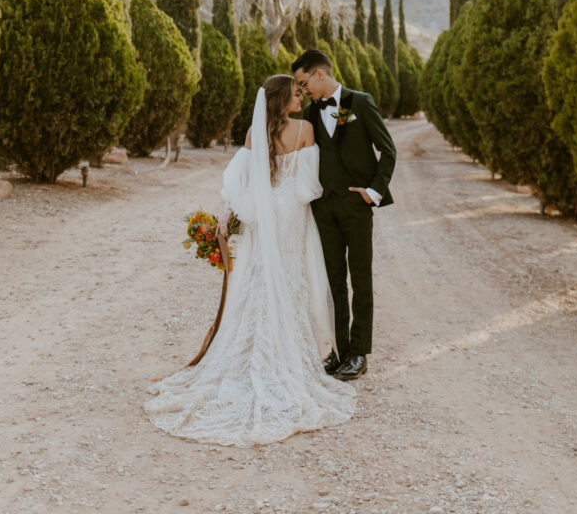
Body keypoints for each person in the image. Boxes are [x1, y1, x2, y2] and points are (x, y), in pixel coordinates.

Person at [144, 74, 356, 446]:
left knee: (258, 277)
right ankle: (285, 361)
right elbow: (309, 187)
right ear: (282, 101)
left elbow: (240, 183)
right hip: (290, 215)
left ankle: (246, 356)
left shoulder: (253, 134)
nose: (299, 98)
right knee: (291, 279)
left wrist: (228, 215)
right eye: (294, 94)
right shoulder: (305, 129)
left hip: (263, 217)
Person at [291, 48, 396, 381]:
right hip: (324, 208)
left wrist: (373, 191)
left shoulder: (359, 102)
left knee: (360, 279)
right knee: (333, 281)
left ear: (320, 74)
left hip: (356, 206)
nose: (302, 89)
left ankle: (359, 353)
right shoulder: (309, 112)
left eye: (303, 82)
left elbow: (388, 150)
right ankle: (337, 352)